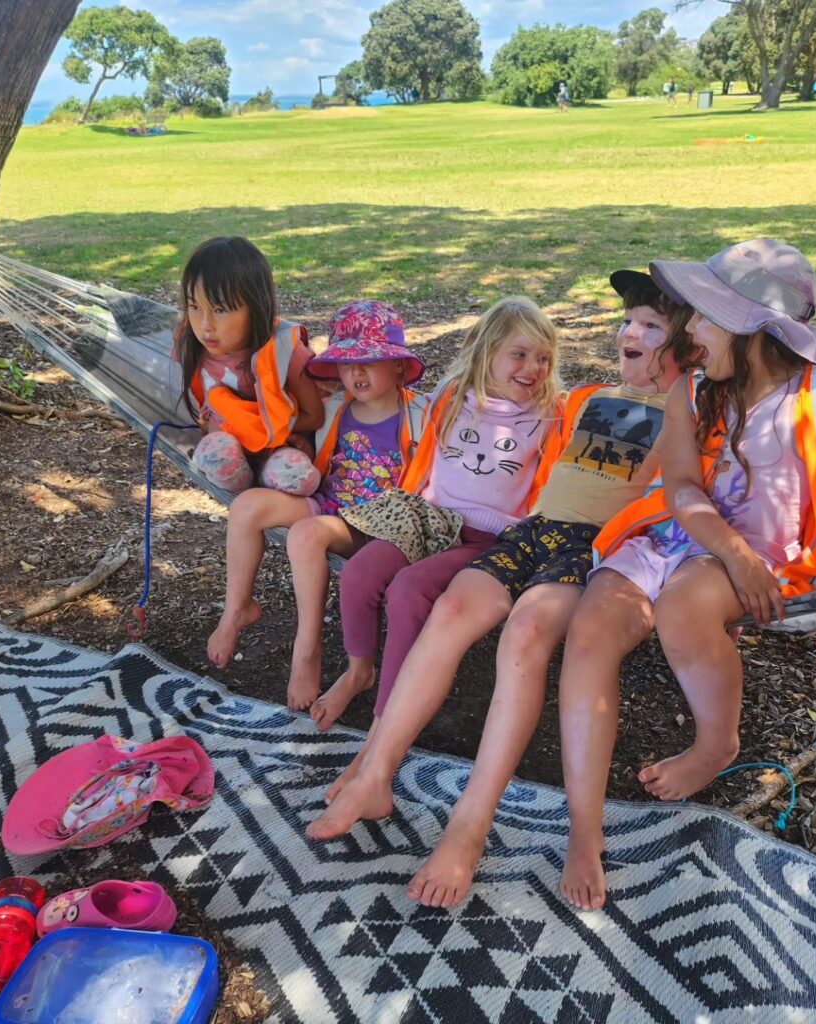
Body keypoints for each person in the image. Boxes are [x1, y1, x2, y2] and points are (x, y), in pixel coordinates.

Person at [557, 239, 816, 910]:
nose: (689, 331)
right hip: (696, 538)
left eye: (703, 316)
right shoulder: (697, 389)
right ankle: (583, 829)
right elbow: (680, 486)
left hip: (775, 558)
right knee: (588, 630)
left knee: (683, 605)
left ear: (752, 328)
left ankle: (715, 743)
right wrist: (727, 550)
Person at [305, 278, 697, 901]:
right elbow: (500, 412)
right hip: (534, 531)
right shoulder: (588, 398)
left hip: (594, 548)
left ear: (691, 345)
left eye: (652, 327)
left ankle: (469, 828)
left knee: (526, 631)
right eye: (630, 321)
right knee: (454, 605)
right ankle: (376, 774)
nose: (630, 333)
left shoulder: (693, 413)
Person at [306, 296, 564, 731]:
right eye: (519, 354)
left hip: (488, 539)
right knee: (358, 575)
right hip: (427, 519)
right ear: (485, 353)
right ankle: (359, 671)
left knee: (407, 591)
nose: (533, 367)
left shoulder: (550, 415)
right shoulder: (452, 396)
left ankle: (387, 720)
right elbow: (389, 404)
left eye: (543, 358)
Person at [206, 300, 427, 685]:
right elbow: (276, 402)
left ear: (397, 365)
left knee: (307, 534)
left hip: (379, 528)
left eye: (369, 361)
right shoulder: (336, 407)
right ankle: (236, 609)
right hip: (330, 506)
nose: (356, 372)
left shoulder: (423, 415)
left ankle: (306, 649)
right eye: (345, 362)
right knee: (247, 506)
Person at [176, 236, 325, 499]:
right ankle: (244, 492)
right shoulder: (192, 349)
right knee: (214, 453)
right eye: (194, 306)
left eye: (220, 309)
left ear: (256, 307)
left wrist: (267, 429)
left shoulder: (284, 352)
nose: (205, 324)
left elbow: (316, 416)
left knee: (296, 475)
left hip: (277, 452)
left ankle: (261, 488)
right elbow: (205, 417)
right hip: (231, 457)